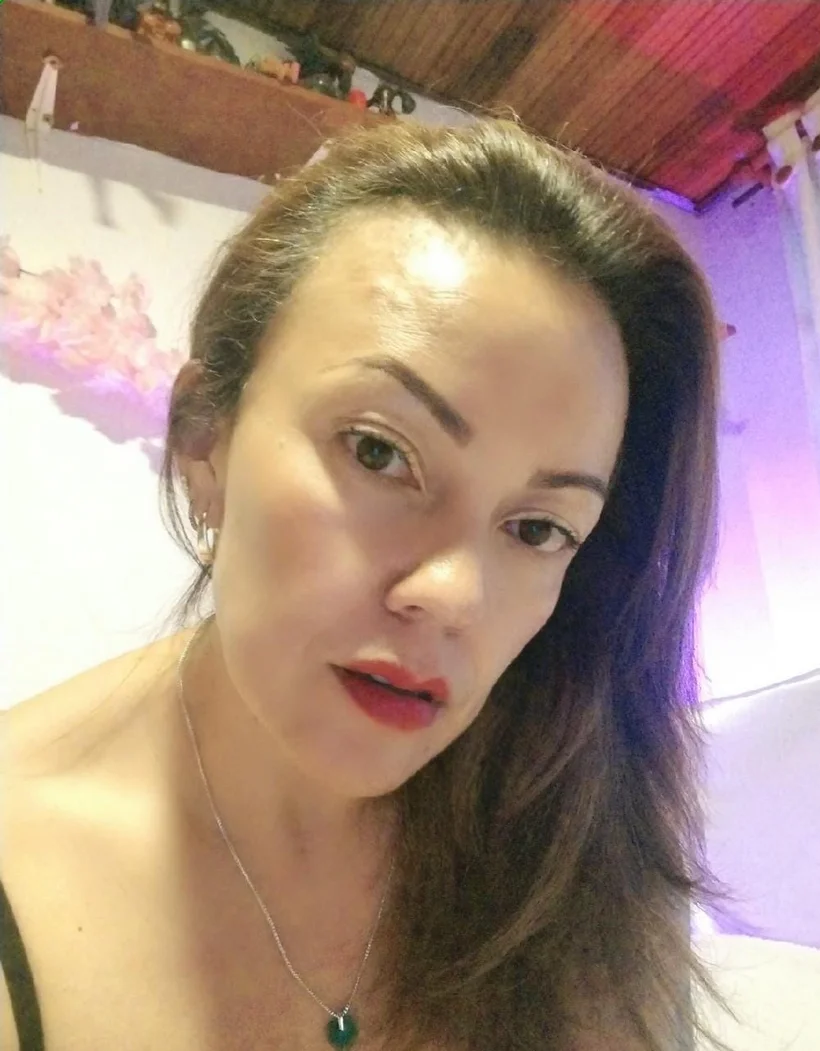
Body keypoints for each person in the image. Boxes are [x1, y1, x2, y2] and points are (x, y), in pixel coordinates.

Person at [1, 119, 729, 1051]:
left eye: (538, 528)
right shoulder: (24, 864)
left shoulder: (584, 834)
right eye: (380, 452)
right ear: (204, 438)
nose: (455, 594)